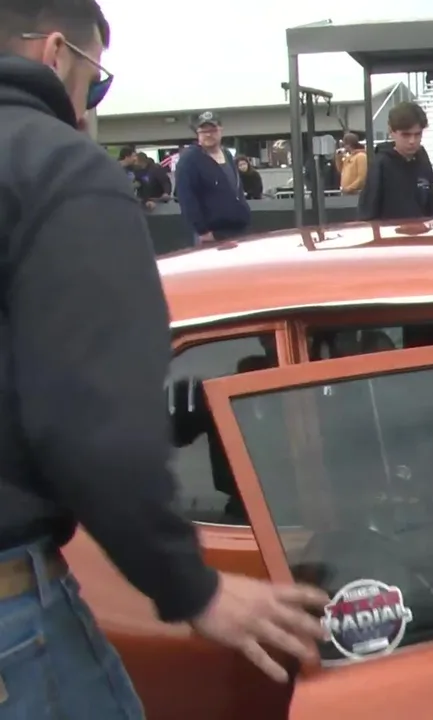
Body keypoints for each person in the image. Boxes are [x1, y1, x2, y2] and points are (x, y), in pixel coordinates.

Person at [0, 2, 328, 714]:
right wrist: (190, 586)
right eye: (97, 80)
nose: (89, 102)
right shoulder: (56, 168)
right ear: (56, 54)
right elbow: (91, 418)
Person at [175, 111, 251, 244]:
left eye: (212, 130)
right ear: (197, 133)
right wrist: (202, 231)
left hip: (238, 228)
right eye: (203, 131)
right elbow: (187, 198)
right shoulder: (189, 160)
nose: (208, 134)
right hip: (211, 234)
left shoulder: (227, 154)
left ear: (221, 130)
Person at [358, 101, 433, 221]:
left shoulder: (422, 158)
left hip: (422, 230)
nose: (412, 141)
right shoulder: (381, 164)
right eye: (406, 135)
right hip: (391, 231)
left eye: (417, 134)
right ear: (391, 131)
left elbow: (432, 205)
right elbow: (368, 212)